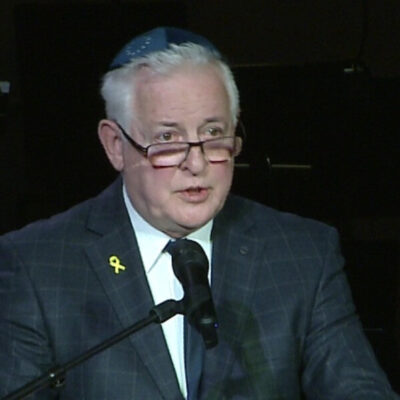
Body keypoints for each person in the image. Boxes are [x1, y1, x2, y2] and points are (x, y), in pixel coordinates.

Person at [0, 27, 398, 400]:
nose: (197, 163)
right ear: (116, 145)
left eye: (212, 134)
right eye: (168, 138)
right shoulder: (36, 265)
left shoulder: (303, 253)